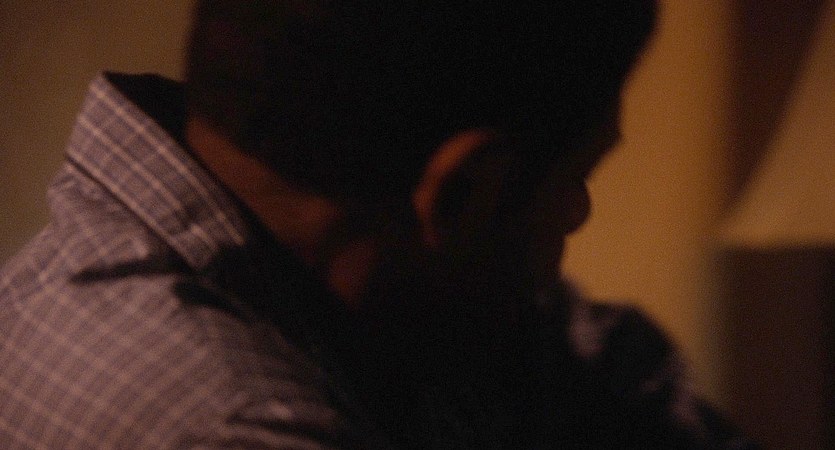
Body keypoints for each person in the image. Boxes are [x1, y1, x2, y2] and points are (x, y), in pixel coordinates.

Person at [0, 1, 754, 448]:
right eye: (577, 177)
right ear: (464, 191)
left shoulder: (107, 261)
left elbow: (582, 357)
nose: (578, 213)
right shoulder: (245, 428)